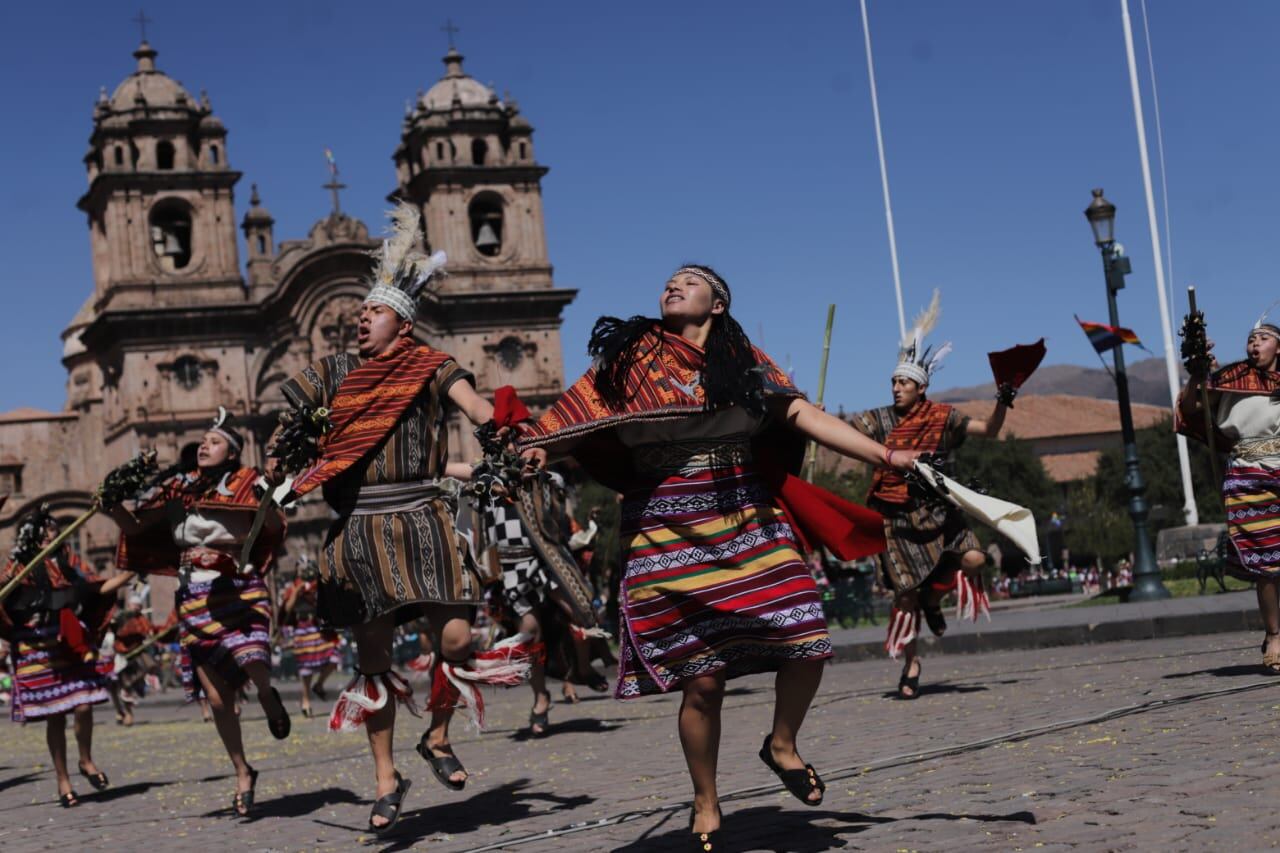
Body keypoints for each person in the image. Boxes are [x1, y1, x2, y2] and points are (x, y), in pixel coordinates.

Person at [519, 264, 914, 847]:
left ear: (718, 304)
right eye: (668, 281)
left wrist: (884, 456)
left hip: (745, 518)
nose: (672, 285)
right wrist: (535, 452)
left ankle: (781, 745)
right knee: (702, 683)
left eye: (689, 280)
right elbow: (572, 421)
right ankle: (706, 803)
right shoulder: (629, 358)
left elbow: (802, 415)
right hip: (664, 528)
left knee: (806, 636)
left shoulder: (745, 362)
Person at [270, 203, 530, 836]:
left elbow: (472, 402)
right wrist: (289, 456)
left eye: (374, 311)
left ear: (403, 324)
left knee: (457, 641)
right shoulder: (329, 374)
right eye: (359, 312)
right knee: (373, 658)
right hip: (361, 526)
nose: (361, 318)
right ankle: (386, 779)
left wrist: (498, 426)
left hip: (424, 517)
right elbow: (283, 434)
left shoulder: (429, 365)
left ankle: (436, 737)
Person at [110, 408, 290, 817]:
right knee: (218, 699)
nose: (204, 446)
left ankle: (267, 696)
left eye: (214, 441)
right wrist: (109, 503)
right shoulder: (178, 489)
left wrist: (274, 488)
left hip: (239, 588)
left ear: (232, 452)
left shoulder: (248, 482)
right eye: (203, 442)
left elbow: (275, 521)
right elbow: (136, 526)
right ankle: (243, 771)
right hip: (193, 595)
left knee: (254, 659)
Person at [848, 292, 1011, 700]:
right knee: (905, 596)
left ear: (920, 387)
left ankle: (935, 599)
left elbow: (989, 431)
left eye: (902, 381)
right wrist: (811, 413)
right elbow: (844, 434)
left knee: (974, 559)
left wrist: (1002, 403)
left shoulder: (944, 417)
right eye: (893, 381)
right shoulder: (879, 419)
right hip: (896, 518)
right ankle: (912, 664)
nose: (895, 386)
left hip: (939, 511)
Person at [0, 508, 135, 807]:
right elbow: (4, 595)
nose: (53, 532)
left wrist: (130, 572)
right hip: (35, 646)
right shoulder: (19, 563)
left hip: (66, 642)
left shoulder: (68, 561)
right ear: (34, 535)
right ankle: (63, 781)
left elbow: (96, 587)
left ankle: (85, 760)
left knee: (84, 705)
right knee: (56, 716)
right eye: (48, 529)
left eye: (55, 528)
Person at [1177, 313, 1280, 672]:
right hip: (1247, 477)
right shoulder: (1229, 379)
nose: (1255, 344)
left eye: (1264, 338)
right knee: (1265, 565)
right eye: (1252, 339)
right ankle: (1274, 635)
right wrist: (1196, 372)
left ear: (1278, 347)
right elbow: (1191, 409)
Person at [280, 556, 339, 718]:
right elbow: (287, 609)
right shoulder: (292, 586)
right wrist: (297, 592)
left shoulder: (316, 586)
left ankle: (319, 685)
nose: (305, 570)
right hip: (302, 628)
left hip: (317, 627)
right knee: (306, 669)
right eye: (302, 568)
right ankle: (305, 700)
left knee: (334, 657)